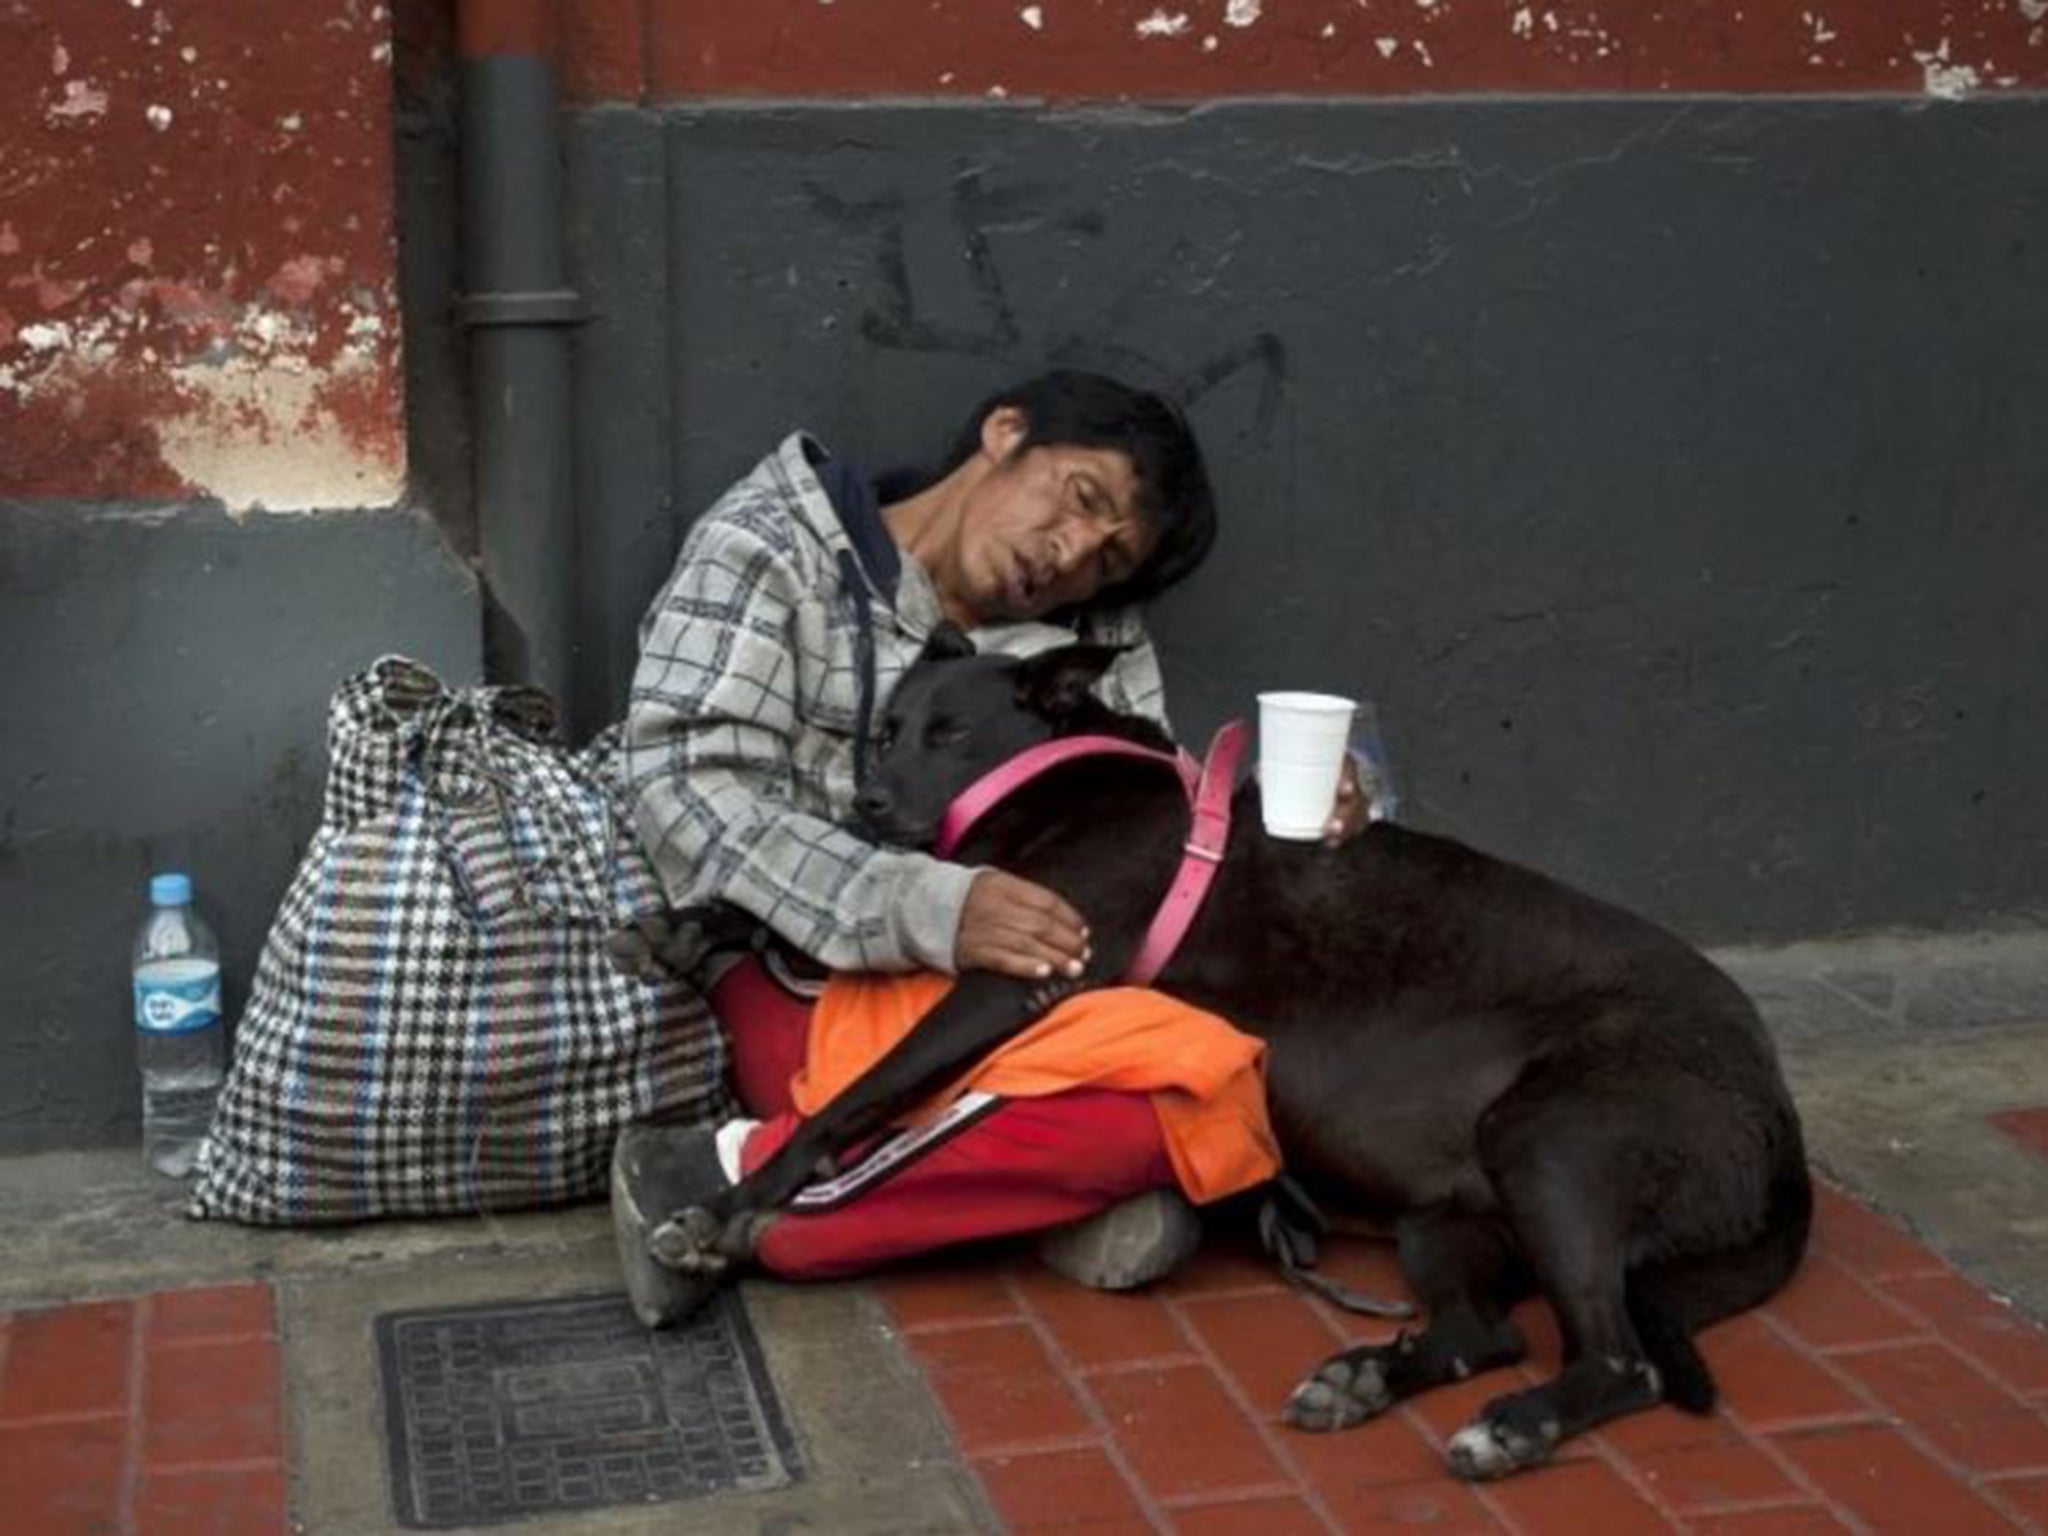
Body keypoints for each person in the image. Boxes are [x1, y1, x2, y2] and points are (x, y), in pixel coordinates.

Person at [609, 370, 1368, 1327]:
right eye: (1082, 499)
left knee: (1196, 1095)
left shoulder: (1091, 638)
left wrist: (1271, 818)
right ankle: (788, 1200)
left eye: (1108, 557)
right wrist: (923, 906)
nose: (1073, 554)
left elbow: (1143, 837)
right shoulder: (775, 547)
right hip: (814, 986)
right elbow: (682, 787)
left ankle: (750, 1174)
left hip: (1011, 1007)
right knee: (1153, 1126)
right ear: (1006, 433)